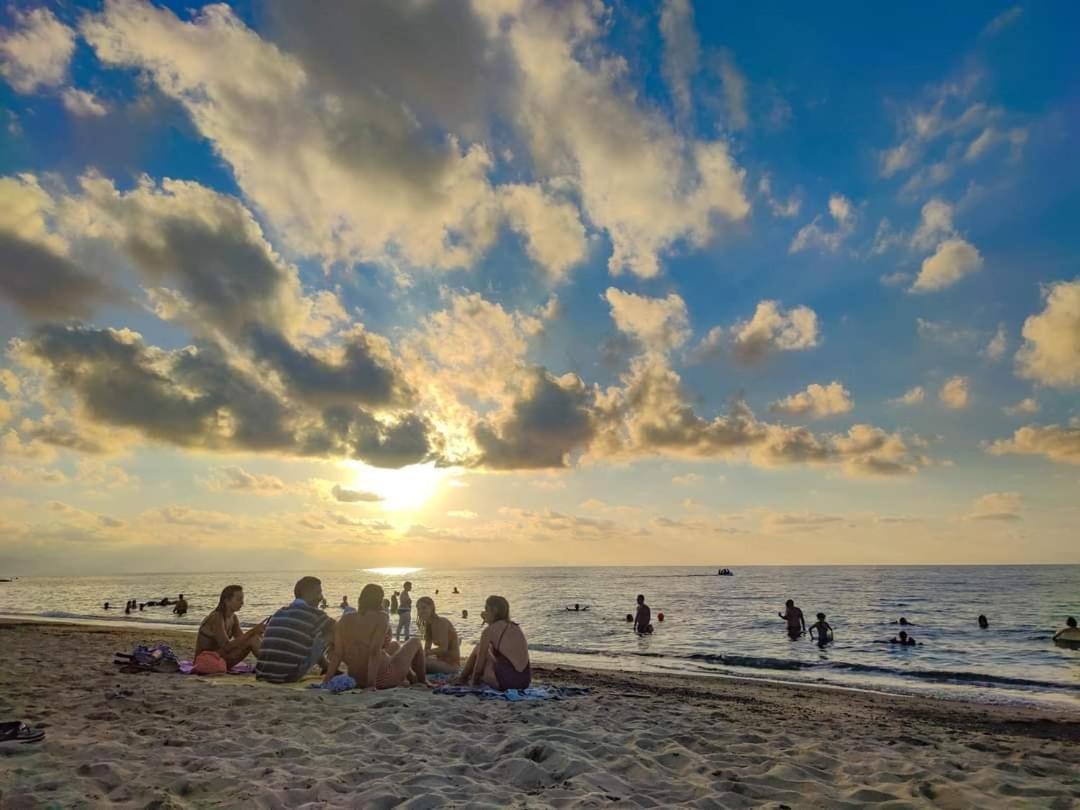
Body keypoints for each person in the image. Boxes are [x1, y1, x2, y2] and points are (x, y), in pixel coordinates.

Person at [324, 584, 427, 690]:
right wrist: (371, 685)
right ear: (380, 600)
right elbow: (374, 651)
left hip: (356, 678)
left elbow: (338, 654)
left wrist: (326, 681)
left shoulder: (344, 619)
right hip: (382, 677)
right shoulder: (381, 617)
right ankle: (422, 681)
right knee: (415, 641)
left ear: (361, 599)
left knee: (395, 645)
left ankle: (411, 679)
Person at [255, 577, 335, 684]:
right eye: (319, 592)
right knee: (331, 633)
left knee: (312, 636)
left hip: (262, 674)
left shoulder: (279, 613)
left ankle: (327, 667)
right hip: (287, 676)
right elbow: (341, 630)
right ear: (308, 593)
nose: (321, 597)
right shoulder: (315, 615)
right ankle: (336, 670)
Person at [456, 595, 530, 690]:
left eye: (486, 609)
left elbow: (479, 666)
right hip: (524, 681)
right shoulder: (515, 627)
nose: (484, 612)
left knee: (479, 649)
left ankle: (462, 678)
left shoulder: (489, 631)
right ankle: (463, 678)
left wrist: (474, 683)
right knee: (485, 651)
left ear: (494, 610)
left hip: (505, 683)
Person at [195, 585, 265, 668]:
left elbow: (242, 640)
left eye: (242, 599)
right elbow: (226, 646)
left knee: (254, 638)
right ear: (227, 601)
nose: (242, 603)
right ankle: (269, 664)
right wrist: (252, 631)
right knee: (253, 638)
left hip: (220, 658)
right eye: (239, 599)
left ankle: (270, 662)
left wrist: (258, 632)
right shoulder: (216, 617)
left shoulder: (233, 618)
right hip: (205, 661)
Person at [416, 596, 460, 674]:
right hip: (440, 660)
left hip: (451, 664)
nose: (421, 611)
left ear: (432, 608)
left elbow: (443, 648)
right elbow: (427, 648)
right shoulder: (428, 625)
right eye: (418, 609)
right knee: (415, 660)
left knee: (419, 663)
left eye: (424, 608)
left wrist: (426, 653)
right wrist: (420, 654)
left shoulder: (442, 622)